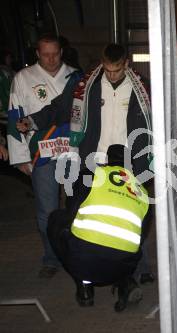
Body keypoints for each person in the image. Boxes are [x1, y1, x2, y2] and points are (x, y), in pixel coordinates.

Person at [16, 43, 155, 284]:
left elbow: (161, 116)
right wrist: (32, 121)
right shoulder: (85, 85)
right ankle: (83, 274)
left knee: (133, 216)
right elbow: (59, 107)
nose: (112, 75)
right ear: (102, 63)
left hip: (129, 162)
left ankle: (138, 267)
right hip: (94, 161)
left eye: (118, 70)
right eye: (108, 70)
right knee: (83, 215)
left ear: (127, 64)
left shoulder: (142, 88)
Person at [47, 144, 150, 312]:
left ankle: (84, 287)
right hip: (123, 265)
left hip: (84, 262)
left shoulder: (91, 175)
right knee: (127, 244)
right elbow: (141, 236)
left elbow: (72, 210)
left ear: (107, 161)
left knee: (56, 219)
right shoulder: (142, 191)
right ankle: (126, 282)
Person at [7, 34, 77, 278]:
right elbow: (15, 117)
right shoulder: (23, 79)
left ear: (61, 51)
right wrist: (21, 158)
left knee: (77, 207)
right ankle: (52, 258)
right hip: (41, 154)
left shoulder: (75, 76)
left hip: (72, 152)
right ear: (37, 54)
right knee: (47, 210)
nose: (51, 59)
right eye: (45, 54)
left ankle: (78, 254)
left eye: (55, 53)